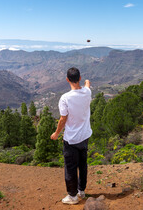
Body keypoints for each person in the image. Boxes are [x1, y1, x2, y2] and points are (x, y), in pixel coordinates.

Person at [50, 67, 92, 205]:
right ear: (79, 78)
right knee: (83, 164)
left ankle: (72, 196)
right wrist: (86, 81)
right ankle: (81, 190)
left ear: (67, 79)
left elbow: (63, 119)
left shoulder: (65, 98)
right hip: (85, 136)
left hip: (71, 139)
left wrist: (56, 134)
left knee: (70, 167)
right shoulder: (87, 92)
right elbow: (87, 84)